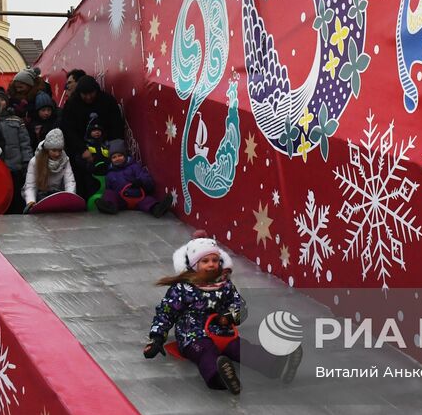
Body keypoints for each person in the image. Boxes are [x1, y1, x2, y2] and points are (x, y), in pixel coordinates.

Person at [144, 235, 301, 395]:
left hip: (223, 332)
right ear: (194, 265)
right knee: (205, 353)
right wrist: (157, 338)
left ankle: (274, 364)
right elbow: (166, 312)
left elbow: (239, 305)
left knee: (242, 348)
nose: (211, 265)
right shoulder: (182, 289)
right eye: (205, 261)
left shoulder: (224, 285)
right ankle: (219, 377)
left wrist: (230, 316)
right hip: (193, 336)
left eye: (214, 260)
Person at [60, 74, 125, 180]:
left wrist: (113, 149)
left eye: (91, 93)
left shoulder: (107, 101)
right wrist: (82, 150)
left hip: (106, 149)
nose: (88, 97)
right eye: (84, 94)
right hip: (81, 152)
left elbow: (116, 125)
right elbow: (68, 129)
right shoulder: (72, 104)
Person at [99, 140, 170, 216]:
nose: (117, 158)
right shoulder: (110, 174)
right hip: (121, 200)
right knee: (109, 193)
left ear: (125, 156)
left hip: (137, 197)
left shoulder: (134, 167)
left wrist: (141, 182)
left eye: (120, 155)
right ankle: (109, 207)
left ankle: (156, 209)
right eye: (114, 157)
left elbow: (148, 181)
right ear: (111, 160)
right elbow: (109, 189)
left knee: (148, 200)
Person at [22, 129, 78, 209]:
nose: (57, 154)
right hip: (40, 196)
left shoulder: (65, 160)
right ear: (47, 150)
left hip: (58, 195)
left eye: (60, 150)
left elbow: (69, 182)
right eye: (54, 150)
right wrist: (31, 202)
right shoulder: (35, 161)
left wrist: (70, 199)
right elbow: (30, 185)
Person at [0, 105, 34, 213]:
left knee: (16, 195)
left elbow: (25, 143)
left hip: (15, 165)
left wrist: (27, 161)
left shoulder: (17, 120)